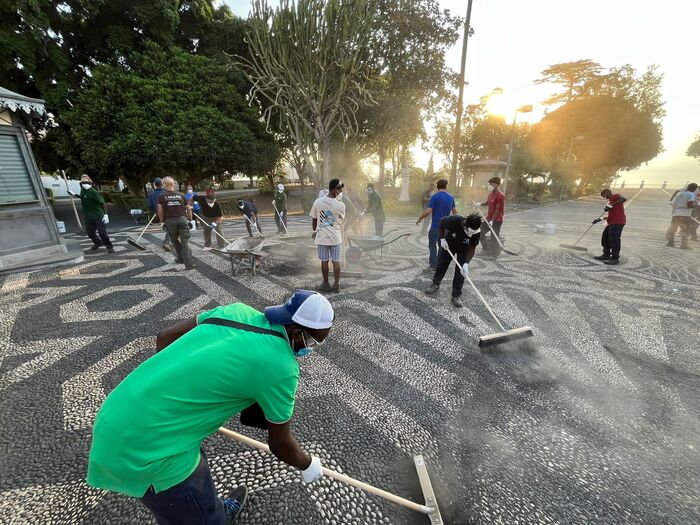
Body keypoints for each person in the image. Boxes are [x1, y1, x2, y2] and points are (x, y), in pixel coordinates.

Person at [86, 290, 335, 525]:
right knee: (192, 513)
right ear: (295, 331)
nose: (309, 349)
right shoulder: (281, 367)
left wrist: (176, 390)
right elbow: (280, 444)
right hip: (150, 446)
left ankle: (209, 508)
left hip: (120, 409)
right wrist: (307, 463)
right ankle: (208, 517)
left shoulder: (236, 311)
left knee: (195, 464)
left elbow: (165, 336)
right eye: (312, 342)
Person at [424, 213, 481, 308]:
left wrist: (466, 263)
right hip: (449, 244)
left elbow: (472, 248)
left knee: (460, 271)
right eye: (469, 231)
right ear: (465, 225)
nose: (471, 234)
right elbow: (442, 222)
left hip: (464, 249)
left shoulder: (476, 231)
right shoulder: (454, 220)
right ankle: (435, 284)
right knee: (442, 264)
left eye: (473, 232)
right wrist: (442, 239)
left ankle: (456, 295)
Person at [310, 179, 345, 293]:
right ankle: (337, 285)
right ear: (335, 190)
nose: (341, 192)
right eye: (340, 190)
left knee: (324, 261)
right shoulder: (340, 205)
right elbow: (340, 220)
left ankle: (325, 284)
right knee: (336, 261)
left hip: (322, 237)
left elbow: (314, 219)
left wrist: (314, 231)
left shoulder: (317, 202)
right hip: (335, 237)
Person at [416, 179, 457, 272]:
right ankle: (440, 264)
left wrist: (420, 219)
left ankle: (433, 265)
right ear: (446, 187)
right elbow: (454, 211)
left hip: (436, 226)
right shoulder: (451, 197)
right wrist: (456, 223)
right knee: (442, 246)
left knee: (432, 246)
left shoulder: (435, 197)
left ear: (437, 187)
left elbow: (428, 210)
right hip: (446, 227)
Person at [67, 175, 114, 253]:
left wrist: (106, 215)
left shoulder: (94, 192)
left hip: (98, 216)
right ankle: (98, 242)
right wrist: (74, 194)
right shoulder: (83, 190)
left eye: (86, 182)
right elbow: (83, 197)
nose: (85, 184)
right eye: (83, 183)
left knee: (102, 233)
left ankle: (109, 246)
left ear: (91, 183)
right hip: (88, 217)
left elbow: (103, 203)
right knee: (90, 233)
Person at [158, 176, 195, 270]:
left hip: (170, 221)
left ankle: (180, 258)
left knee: (175, 241)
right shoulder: (181, 195)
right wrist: (190, 220)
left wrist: (161, 222)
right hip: (182, 219)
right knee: (185, 242)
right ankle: (189, 264)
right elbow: (188, 208)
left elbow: (160, 210)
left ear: (164, 185)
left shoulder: (161, 196)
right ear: (173, 184)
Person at [592, 188, 627, 265]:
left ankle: (615, 258)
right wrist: (599, 219)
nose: (605, 198)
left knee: (614, 239)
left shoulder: (615, 196)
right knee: (605, 238)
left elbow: (624, 198)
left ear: (608, 192)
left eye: (604, 196)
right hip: (611, 222)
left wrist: (611, 205)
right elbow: (610, 215)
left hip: (618, 222)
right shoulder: (609, 201)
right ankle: (606, 254)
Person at [474, 177, 506, 258]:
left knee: (494, 237)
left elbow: (498, 209)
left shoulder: (500, 195)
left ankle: (494, 254)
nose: (489, 185)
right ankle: (486, 249)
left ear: (497, 184)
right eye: (489, 184)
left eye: (491, 184)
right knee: (479, 232)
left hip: (497, 220)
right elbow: (487, 203)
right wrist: (480, 204)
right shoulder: (491, 194)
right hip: (488, 219)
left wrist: (492, 220)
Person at [666, 183, 698, 249]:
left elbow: (672, 203)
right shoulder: (690, 194)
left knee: (673, 228)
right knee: (686, 229)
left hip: (675, 214)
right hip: (684, 214)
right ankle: (684, 245)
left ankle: (670, 242)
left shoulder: (679, 194)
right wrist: (695, 206)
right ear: (694, 189)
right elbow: (689, 204)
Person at [147, 177, 171, 252]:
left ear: (155, 185)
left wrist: (155, 209)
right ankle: (167, 242)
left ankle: (171, 241)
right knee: (170, 227)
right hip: (168, 212)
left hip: (157, 213)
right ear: (162, 184)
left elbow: (150, 205)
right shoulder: (166, 192)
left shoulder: (151, 194)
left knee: (169, 228)